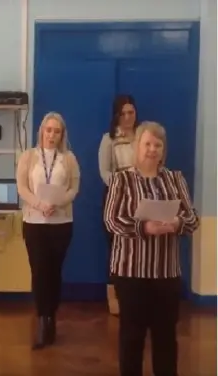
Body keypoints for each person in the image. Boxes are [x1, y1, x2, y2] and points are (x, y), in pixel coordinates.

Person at [104, 121, 199, 376]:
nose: (152, 149)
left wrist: (177, 222)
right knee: (132, 338)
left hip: (166, 274)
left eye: (158, 145)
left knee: (166, 338)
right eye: (147, 143)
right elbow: (112, 220)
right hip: (131, 273)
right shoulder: (122, 179)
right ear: (138, 146)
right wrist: (144, 228)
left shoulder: (175, 179)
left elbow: (192, 219)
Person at [16, 112, 80, 350]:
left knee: (54, 272)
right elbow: (22, 187)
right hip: (34, 222)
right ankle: (42, 320)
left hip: (61, 223)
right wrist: (38, 204)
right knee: (39, 271)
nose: (52, 135)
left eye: (57, 131)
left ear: (62, 134)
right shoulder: (29, 157)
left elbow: (74, 188)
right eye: (48, 130)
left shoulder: (69, 158)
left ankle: (51, 316)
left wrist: (59, 202)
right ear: (41, 131)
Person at [98, 94, 138, 316]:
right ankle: (114, 297)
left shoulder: (143, 136)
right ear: (116, 115)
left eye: (131, 112)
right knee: (115, 248)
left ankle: (135, 296)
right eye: (122, 113)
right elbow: (104, 171)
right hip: (116, 198)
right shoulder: (109, 139)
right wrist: (121, 188)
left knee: (138, 246)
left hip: (141, 198)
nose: (127, 117)